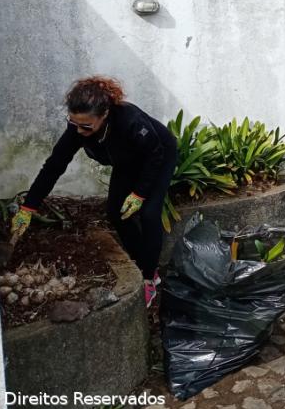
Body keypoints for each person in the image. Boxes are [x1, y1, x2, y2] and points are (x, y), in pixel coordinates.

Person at [9, 76, 177, 307]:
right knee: (116, 213)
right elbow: (54, 165)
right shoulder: (77, 128)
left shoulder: (130, 121)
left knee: (148, 214)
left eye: (86, 126)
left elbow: (155, 154)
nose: (79, 130)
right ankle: (143, 261)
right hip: (126, 161)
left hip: (157, 156)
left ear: (105, 114)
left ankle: (149, 278)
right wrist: (28, 207)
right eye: (73, 122)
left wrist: (139, 194)